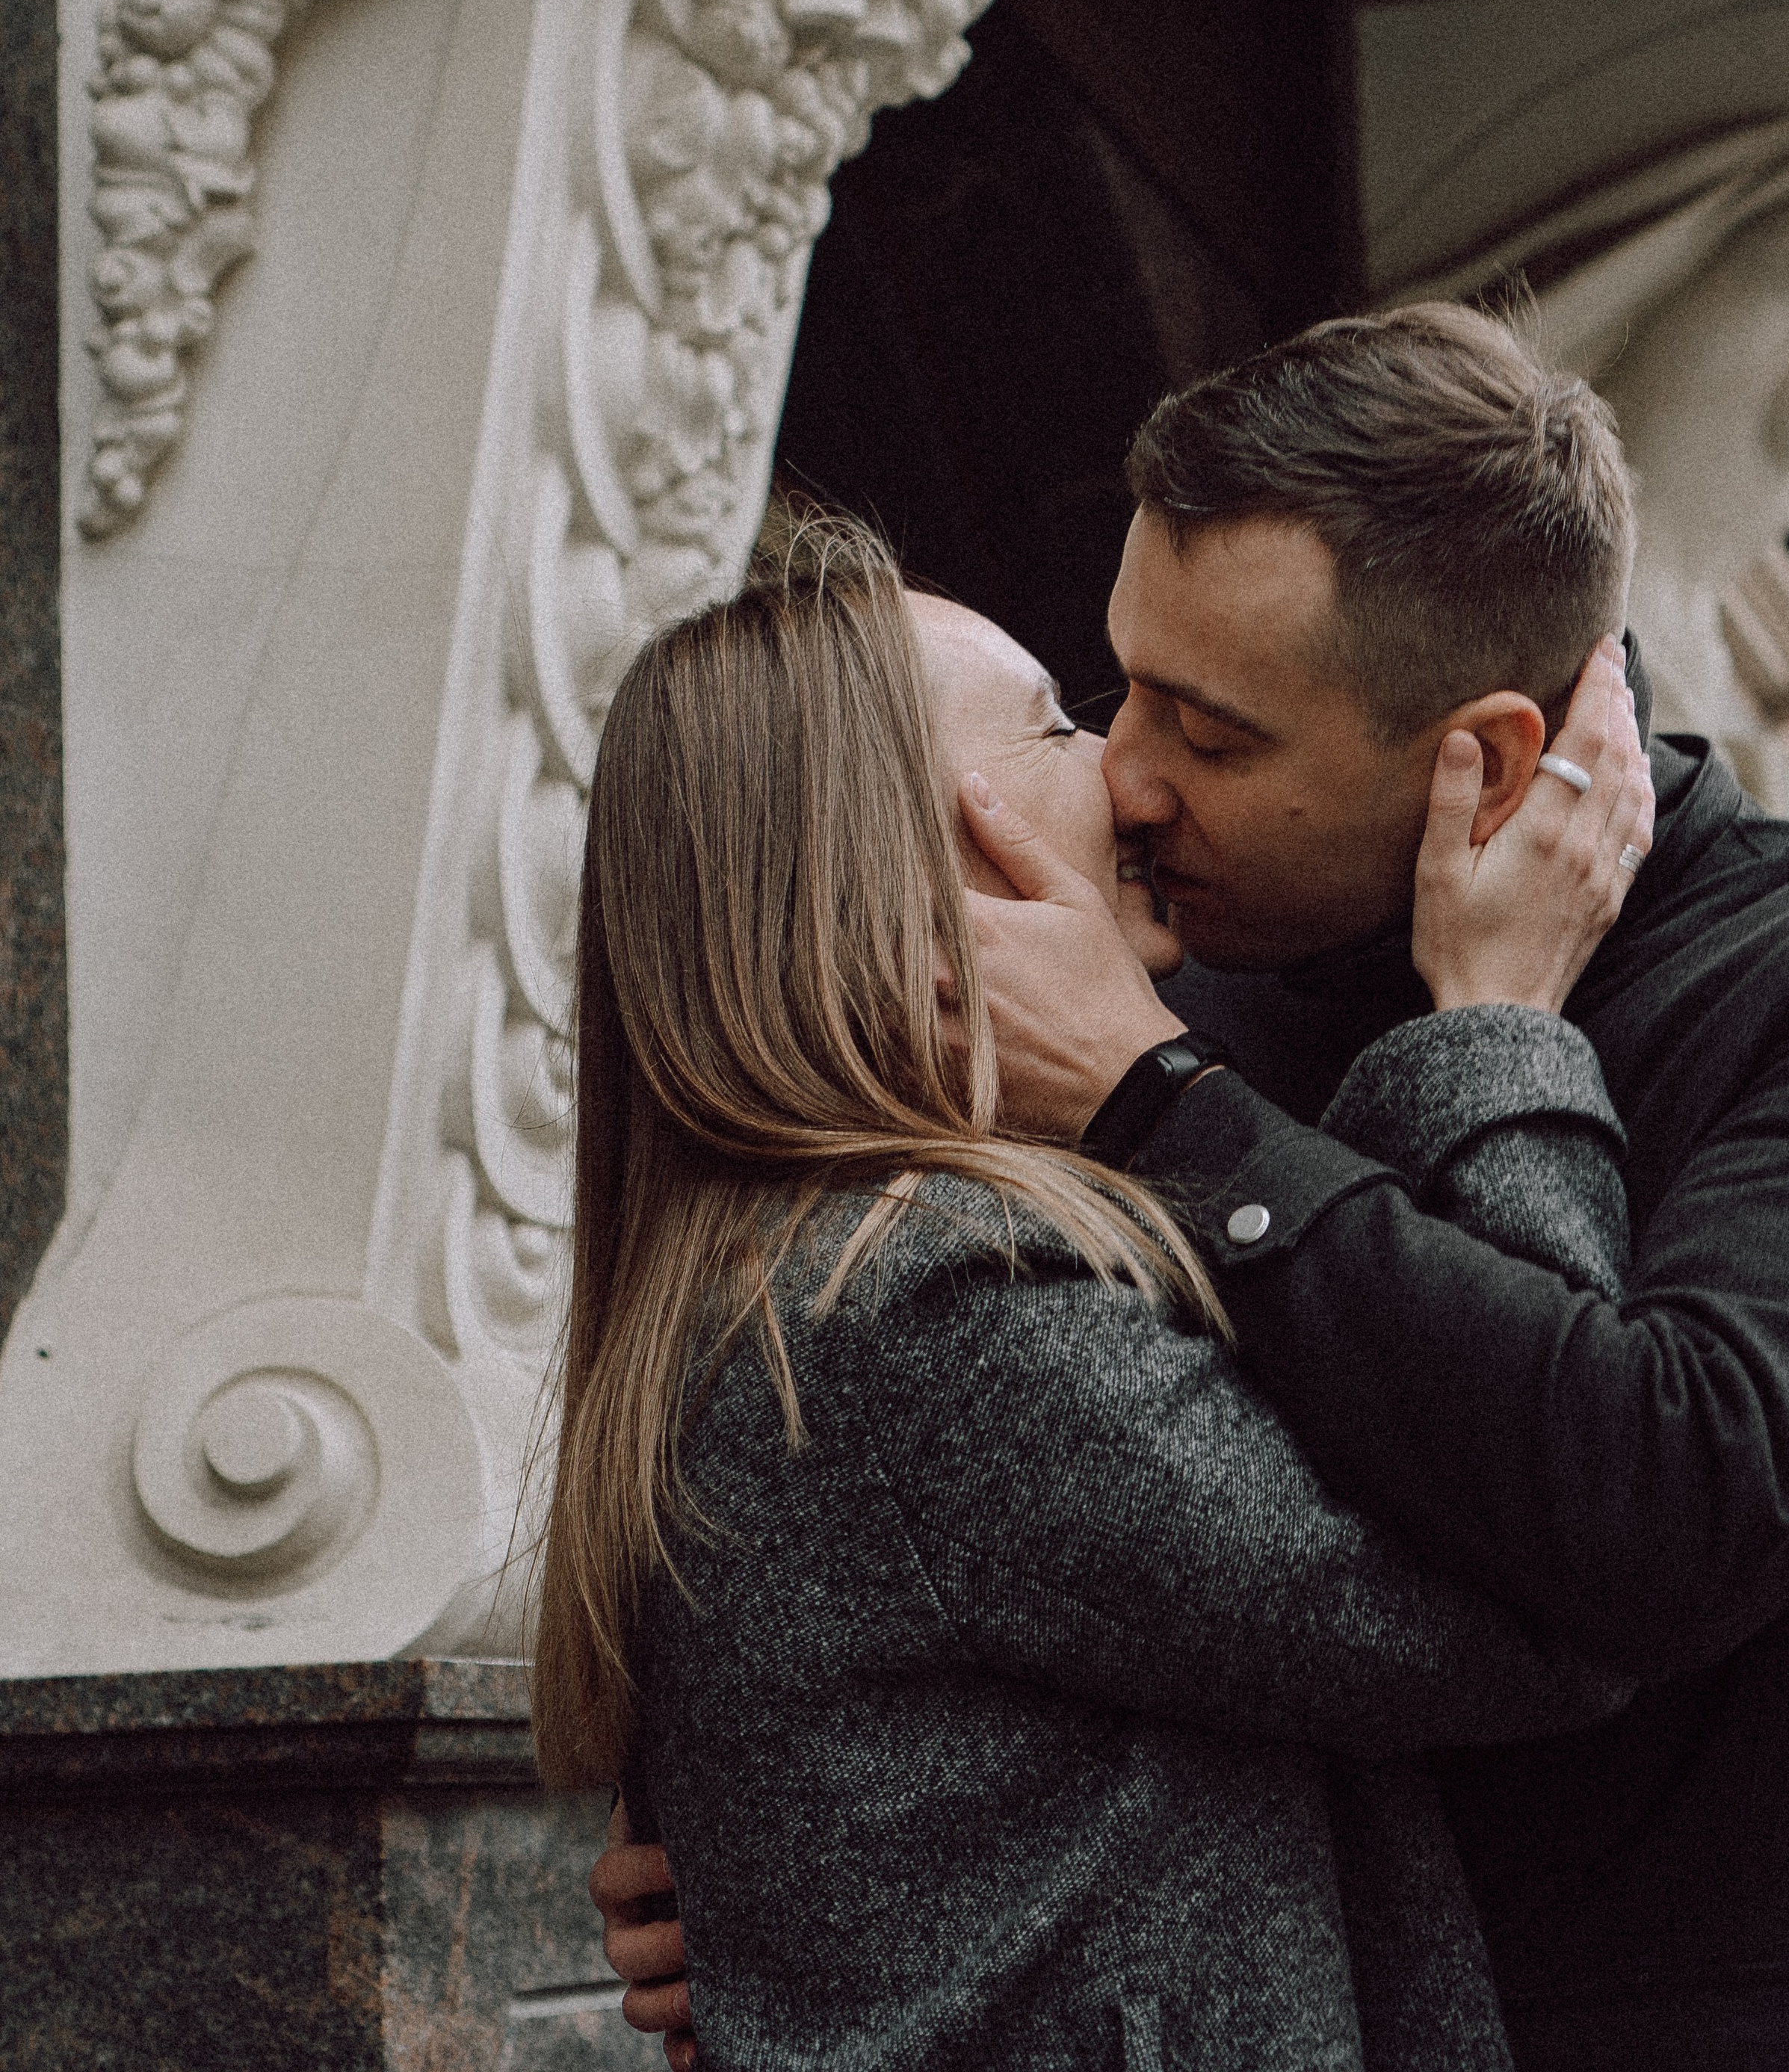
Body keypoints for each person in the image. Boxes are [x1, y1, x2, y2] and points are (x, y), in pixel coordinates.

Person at [548, 505, 1653, 2071]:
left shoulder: (804, 1280)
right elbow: (1546, 1584)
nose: (1131, 776)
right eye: (1063, 722)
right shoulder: (930, 1314)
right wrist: (1496, 1016)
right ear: (903, 854)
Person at [948, 304, 1789, 2071]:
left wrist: (1173, 1113)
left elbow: (1673, 1494)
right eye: (1116, 687)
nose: (1126, 779)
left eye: (1210, 734)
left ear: (1483, 749)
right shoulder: (1163, 987)